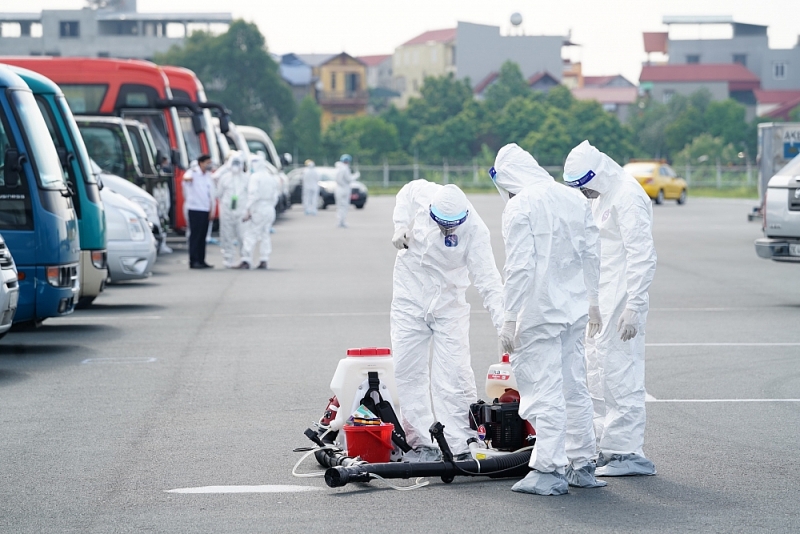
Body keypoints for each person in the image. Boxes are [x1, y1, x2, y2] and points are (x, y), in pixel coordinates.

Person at [490, 144, 605, 495]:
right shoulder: (572, 198)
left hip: (539, 313)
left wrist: (509, 318)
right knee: (574, 386)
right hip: (573, 311)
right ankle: (582, 463)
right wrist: (594, 301)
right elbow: (591, 252)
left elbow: (520, 266)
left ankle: (548, 470)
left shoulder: (520, 205)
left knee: (543, 390)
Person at [563, 140, 658, 477]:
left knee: (622, 372)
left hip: (623, 302)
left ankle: (626, 452)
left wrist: (634, 305)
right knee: (601, 371)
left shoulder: (628, 195)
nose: (583, 192)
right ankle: (610, 445)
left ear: (597, 173)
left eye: (583, 185)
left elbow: (642, 254)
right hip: (605, 300)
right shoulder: (603, 196)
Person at [390, 180, 504, 461]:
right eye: (442, 224)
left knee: (453, 373)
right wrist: (400, 225)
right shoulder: (421, 193)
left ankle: (459, 442)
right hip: (410, 296)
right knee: (407, 369)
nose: (446, 230)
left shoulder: (475, 231)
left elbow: (489, 281)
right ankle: (419, 442)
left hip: (448, 304)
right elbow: (405, 193)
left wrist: (504, 324)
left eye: (451, 226)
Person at [237, 156, 278, 270]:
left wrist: (247, 209)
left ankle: (246, 259)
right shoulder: (271, 177)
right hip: (269, 209)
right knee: (265, 234)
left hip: (258, 208)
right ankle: (264, 259)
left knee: (251, 234)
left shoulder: (255, 177)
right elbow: (275, 196)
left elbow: (253, 195)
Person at [214, 152, 248, 268]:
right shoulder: (224, 178)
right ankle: (228, 258)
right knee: (226, 235)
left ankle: (245, 258)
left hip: (242, 211)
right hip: (227, 211)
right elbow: (219, 193)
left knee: (243, 235)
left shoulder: (246, 178)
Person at [182, 154, 215, 269]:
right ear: (201, 163)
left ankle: (201, 260)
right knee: (195, 236)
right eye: (207, 163)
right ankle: (194, 260)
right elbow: (185, 178)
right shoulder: (193, 172)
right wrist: (189, 179)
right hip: (194, 209)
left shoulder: (208, 176)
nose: (209, 165)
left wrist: (212, 210)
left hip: (205, 209)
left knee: (203, 236)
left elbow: (210, 194)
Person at [334, 154, 359, 228]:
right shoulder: (345, 168)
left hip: (338, 188)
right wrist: (356, 176)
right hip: (344, 189)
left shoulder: (338, 168)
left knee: (339, 206)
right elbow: (348, 179)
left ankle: (339, 221)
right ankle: (342, 221)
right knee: (344, 206)